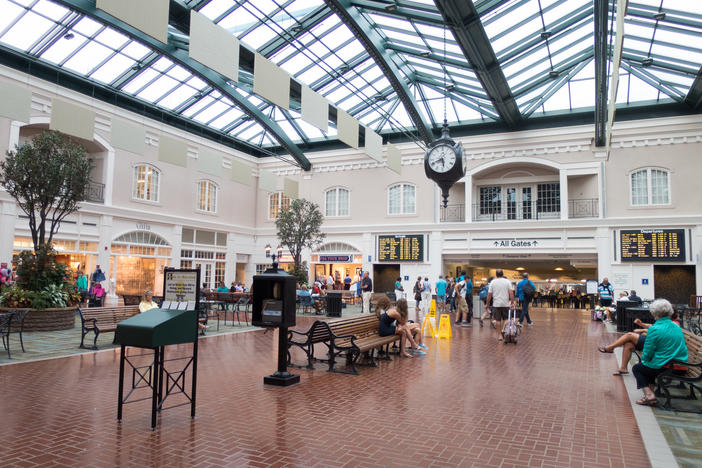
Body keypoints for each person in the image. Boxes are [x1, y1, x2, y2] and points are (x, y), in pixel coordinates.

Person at [631, 299, 688, 406]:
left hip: (669, 367)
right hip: (681, 365)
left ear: (654, 313)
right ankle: (650, 397)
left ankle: (648, 394)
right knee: (649, 367)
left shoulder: (655, 329)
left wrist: (645, 360)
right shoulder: (676, 326)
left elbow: (647, 354)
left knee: (637, 368)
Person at [486, 270, 514, 341]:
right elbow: (511, 293)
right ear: (502, 274)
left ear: (496, 275)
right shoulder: (507, 281)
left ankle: (499, 336)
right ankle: (504, 331)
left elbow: (489, 294)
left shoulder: (493, 282)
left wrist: (487, 304)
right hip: (505, 304)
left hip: (496, 304)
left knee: (498, 320)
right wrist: (512, 302)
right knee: (506, 319)